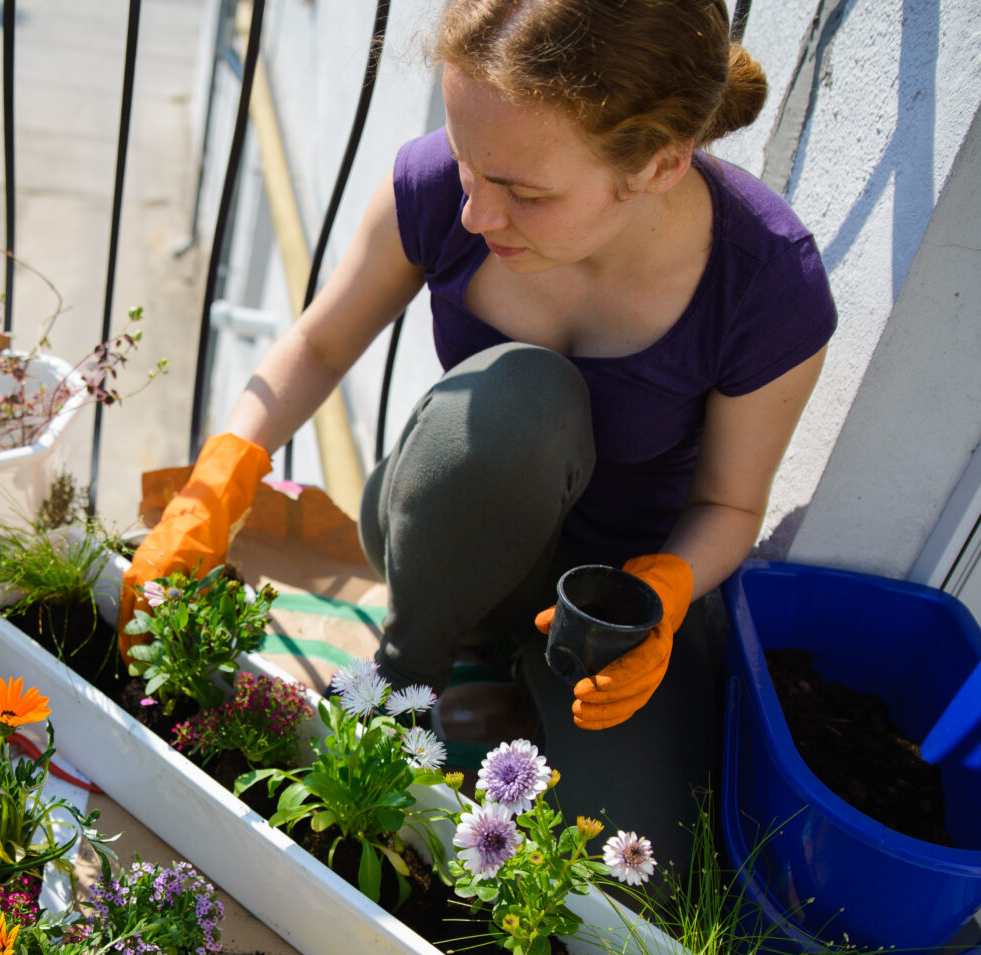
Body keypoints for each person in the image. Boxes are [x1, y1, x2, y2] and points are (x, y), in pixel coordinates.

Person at [122, 0, 836, 862]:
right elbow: (317, 344)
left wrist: (667, 590)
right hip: (450, 523)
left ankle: (512, 676)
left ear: (658, 166)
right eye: (467, 166)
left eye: (525, 195)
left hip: (599, 606)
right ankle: (407, 668)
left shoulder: (766, 287)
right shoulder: (440, 189)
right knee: (525, 399)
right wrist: (215, 484)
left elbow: (728, 502)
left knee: (631, 872)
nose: (474, 215)